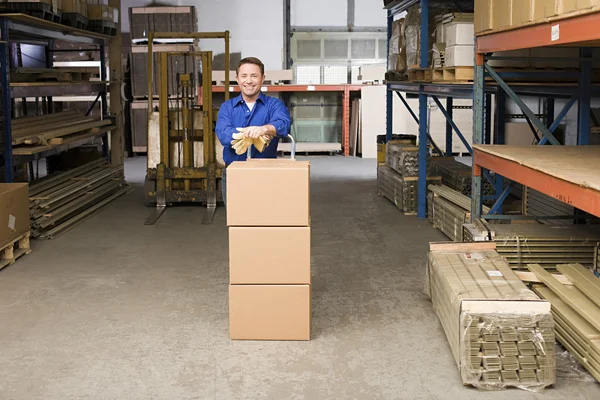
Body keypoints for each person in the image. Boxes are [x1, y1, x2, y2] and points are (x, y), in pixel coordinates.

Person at [216, 57, 291, 205]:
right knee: (237, 222)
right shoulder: (227, 107)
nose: (248, 81)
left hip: (266, 173)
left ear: (263, 78)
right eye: (244, 76)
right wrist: (249, 134)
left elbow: (283, 124)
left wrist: (265, 128)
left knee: (265, 220)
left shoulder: (274, 105)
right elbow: (224, 134)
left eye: (254, 76)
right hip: (234, 174)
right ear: (237, 79)